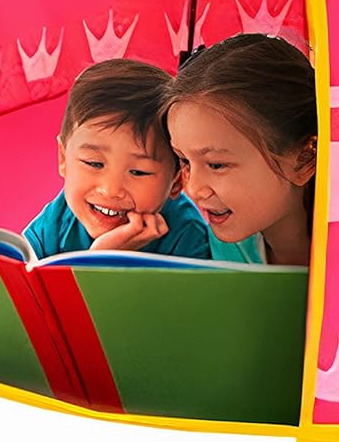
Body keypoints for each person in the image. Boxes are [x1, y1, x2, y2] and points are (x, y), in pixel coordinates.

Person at [24, 57, 211, 260]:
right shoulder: (54, 223)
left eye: (138, 172)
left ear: (176, 182)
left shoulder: (187, 237)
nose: (111, 190)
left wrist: (105, 261)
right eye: (94, 163)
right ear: (63, 158)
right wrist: (98, 258)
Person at [164, 33, 318, 267]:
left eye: (216, 164)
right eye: (184, 161)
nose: (193, 190)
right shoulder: (229, 246)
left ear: (305, 159)